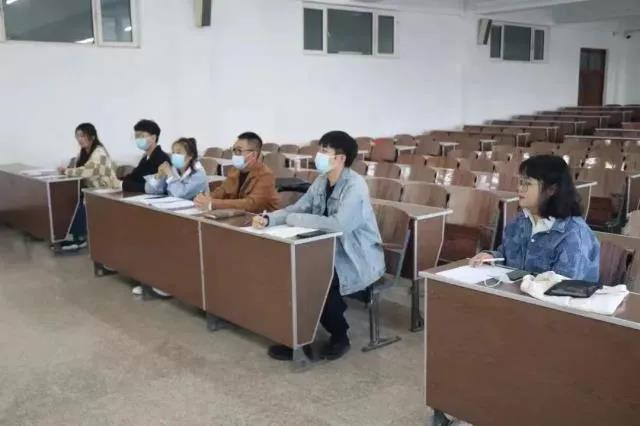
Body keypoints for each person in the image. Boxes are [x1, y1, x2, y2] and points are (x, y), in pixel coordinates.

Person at [252, 131, 385, 361]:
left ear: (341, 158)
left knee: (317, 279)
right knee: (290, 271)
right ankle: (298, 339)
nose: (319, 155)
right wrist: (269, 219)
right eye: (320, 150)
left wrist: (296, 219)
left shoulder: (355, 186)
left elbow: (339, 225)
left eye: (325, 151)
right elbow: (297, 209)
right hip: (323, 249)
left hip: (356, 255)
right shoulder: (322, 181)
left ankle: (340, 336)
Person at [470, 154, 600, 282]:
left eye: (527, 183)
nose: (520, 188)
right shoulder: (519, 222)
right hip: (514, 292)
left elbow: (564, 287)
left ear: (551, 189)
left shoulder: (573, 235)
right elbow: (506, 255)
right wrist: (491, 257)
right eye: (521, 182)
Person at [57, 123, 120, 251]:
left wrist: (67, 171)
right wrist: (68, 169)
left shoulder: (99, 152)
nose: (80, 139)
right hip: (93, 190)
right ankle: (70, 235)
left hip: (108, 190)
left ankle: (80, 238)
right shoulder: (83, 152)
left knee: (81, 202)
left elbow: (88, 170)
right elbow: (77, 168)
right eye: (78, 136)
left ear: (92, 136)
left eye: (83, 136)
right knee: (71, 199)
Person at [193, 132, 279, 213]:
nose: (234, 154)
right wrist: (205, 198)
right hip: (238, 215)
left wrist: (213, 203)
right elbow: (222, 191)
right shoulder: (234, 170)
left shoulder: (266, 175)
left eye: (239, 151)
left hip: (261, 219)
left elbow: (251, 204)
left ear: (253, 155)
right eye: (233, 150)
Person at [121, 119, 170, 193]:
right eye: (136, 136)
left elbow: (153, 188)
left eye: (141, 136)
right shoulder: (145, 159)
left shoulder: (162, 159)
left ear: (153, 138)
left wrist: (127, 184)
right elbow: (132, 177)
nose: (138, 139)